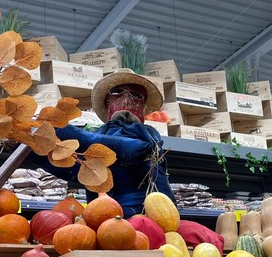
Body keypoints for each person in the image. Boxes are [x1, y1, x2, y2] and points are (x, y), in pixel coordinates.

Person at [33, 68, 175, 217]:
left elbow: (133, 149)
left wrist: (61, 130)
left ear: (143, 104)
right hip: (102, 217)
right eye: (117, 92)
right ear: (107, 101)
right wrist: (31, 145)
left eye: (136, 94)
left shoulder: (148, 134)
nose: (126, 98)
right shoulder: (99, 133)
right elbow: (76, 170)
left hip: (145, 218)